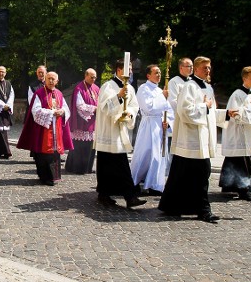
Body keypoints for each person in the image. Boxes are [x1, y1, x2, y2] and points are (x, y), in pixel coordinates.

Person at [158, 56, 225, 223]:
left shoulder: (208, 88)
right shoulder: (189, 87)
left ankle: (173, 206)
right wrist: (205, 106)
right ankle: (203, 210)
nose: (208, 70)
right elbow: (185, 111)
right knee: (199, 174)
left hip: (202, 140)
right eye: (204, 67)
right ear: (195, 68)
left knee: (186, 175)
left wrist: (228, 114)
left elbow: (211, 113)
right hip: (190, 141)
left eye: (209, 67)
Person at [94, 61, 146, 208]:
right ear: (118, 70)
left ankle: (125, 196)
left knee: (120, 164)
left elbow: (134, 107)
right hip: (109, 132)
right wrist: (118, 96)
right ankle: (109, 195)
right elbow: (104, 108)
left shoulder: (130, 88)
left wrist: (128, 114)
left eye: (131, 70)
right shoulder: (108, 86)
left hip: (120, 131)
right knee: (107, 164)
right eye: (127, 69)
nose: (130, 72)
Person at [219, 66, 251, 201]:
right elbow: (237, 115)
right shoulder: (237, 95)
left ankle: (245, 187)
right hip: (240, 134)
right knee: (243, 163)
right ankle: (244, 191)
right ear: (244, 78)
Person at [17, 71, 73, 186]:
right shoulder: (39, 93)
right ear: (45, 80)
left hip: (56, 129)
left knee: (55, 153)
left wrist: (62, 111)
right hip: (43, 129)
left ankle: (55, 176)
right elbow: (35, 111)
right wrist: (52, 112)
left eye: (53, 79)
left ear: (57, 81)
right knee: (44, 154)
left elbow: (66, 109)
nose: (51, 81)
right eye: (49, 79)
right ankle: (44, 177)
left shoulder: (59, 94)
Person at [130, 65, 172, 195]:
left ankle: (154, 184)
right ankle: (134, 181)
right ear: (148, 75)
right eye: (156, 72)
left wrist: (168, 122)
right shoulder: (144, 89)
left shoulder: (160, 90)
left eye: (160, 72)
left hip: (159, 126)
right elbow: (148, 108)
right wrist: (162, 97)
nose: (159, 75)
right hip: (149, 125)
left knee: (158, 156)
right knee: (145, 154)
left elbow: (168, 110)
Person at [65, 68, 99, 174]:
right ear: (86, 75)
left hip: (93, 121)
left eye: (95, 77)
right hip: (82, 121)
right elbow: (79, 105)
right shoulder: (79, 88)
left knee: (90, 146)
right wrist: (94, 109)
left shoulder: (96, 88)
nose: (93, 79)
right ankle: (76, 167)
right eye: (91, 77)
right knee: (79, 145)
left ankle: (87, 167)